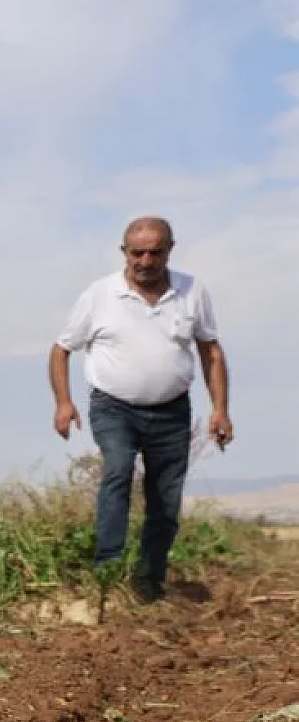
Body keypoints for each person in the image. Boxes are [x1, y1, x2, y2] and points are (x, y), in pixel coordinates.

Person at [48, 216, 233, 602]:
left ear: (170, 250)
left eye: (155, 252)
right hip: (113, 407)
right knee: (117, 469)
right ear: (124, 252)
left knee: (165, 496)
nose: (145, 261)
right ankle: (108, 571)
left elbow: (210, 350)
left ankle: (149, 581)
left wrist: (220, 409)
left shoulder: (191, 290)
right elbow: (61, 349)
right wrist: (64, 403)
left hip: (172, 411)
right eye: (137, 253)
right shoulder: (100, 295)